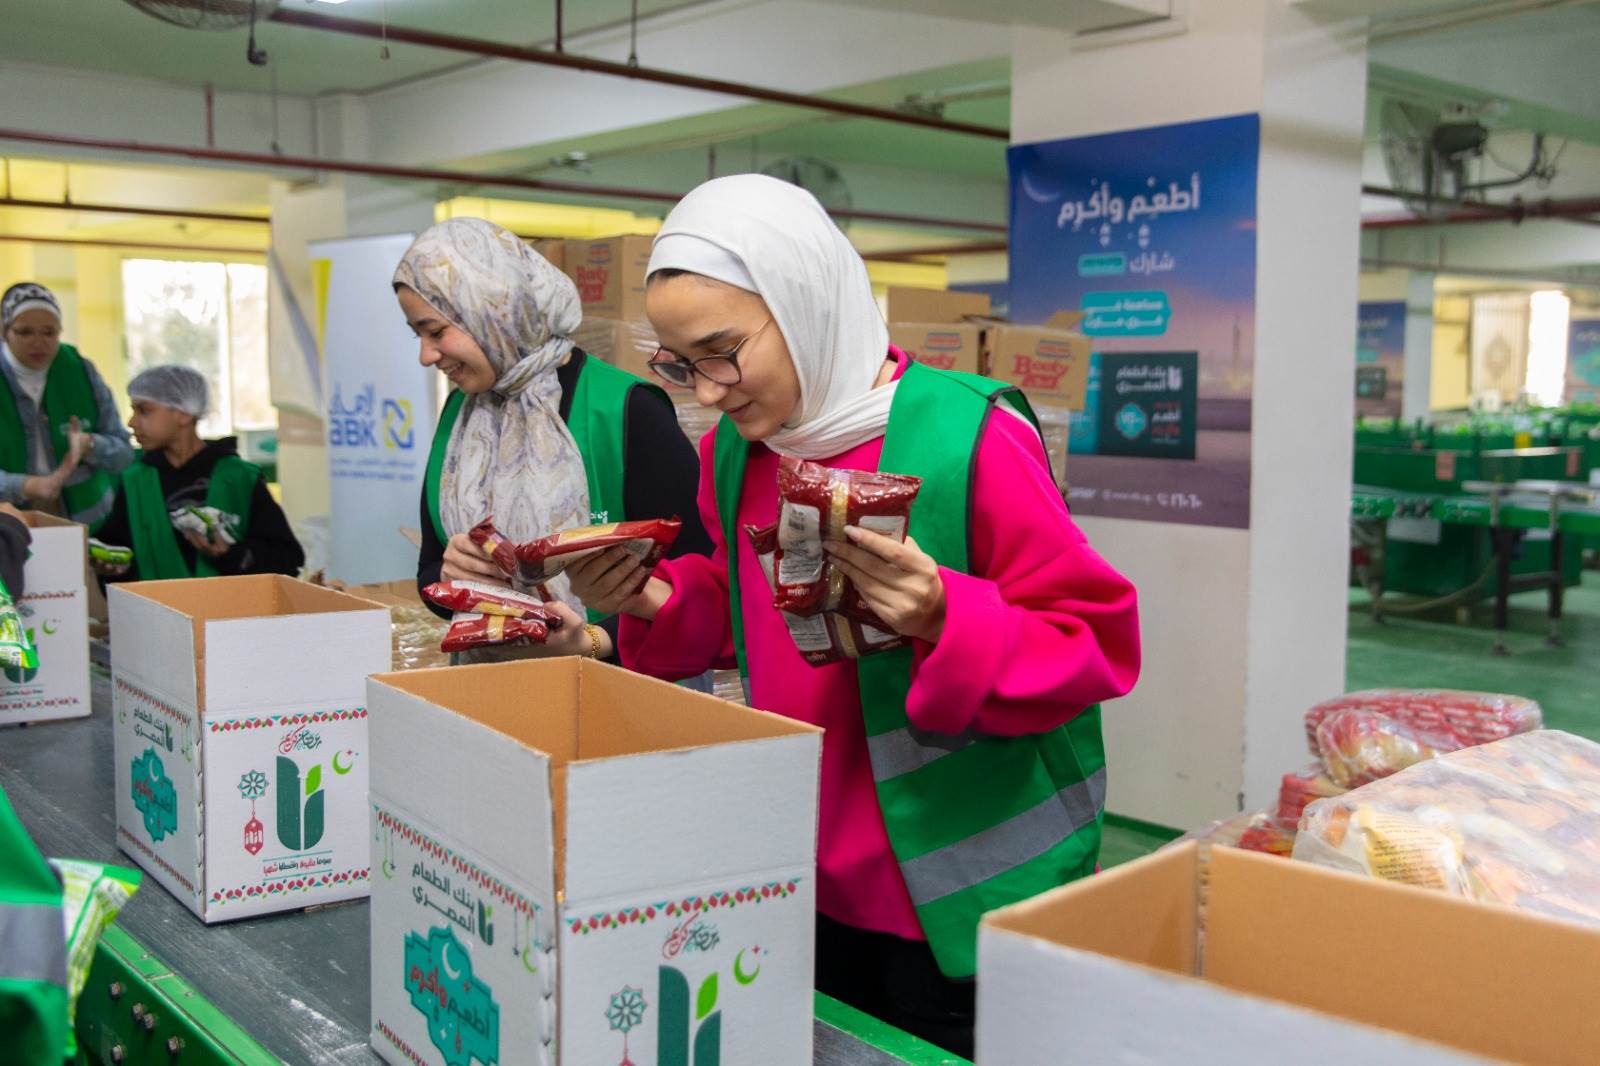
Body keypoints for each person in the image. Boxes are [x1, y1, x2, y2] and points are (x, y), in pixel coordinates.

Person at [564, 175, 1141, 1056]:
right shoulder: (740, 452)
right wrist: (648, 597)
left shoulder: (969, 437)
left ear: (804, 302)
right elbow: (745, 605)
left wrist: (946, 615)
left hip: (965, 888)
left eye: (722, 353)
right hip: (809, 866)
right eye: (680, 364)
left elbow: (1093, 639)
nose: (707, 392)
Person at [396, 217, 709, 662]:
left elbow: (701, 591)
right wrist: (451, 576)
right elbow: (430, 569)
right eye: (418, 334)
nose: (426, 355)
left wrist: (592, 641)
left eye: (436, 331)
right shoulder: (460, 415)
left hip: (620, 689)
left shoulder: (625, 409)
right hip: (490, 687)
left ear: (493, 311)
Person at [92, 365, 304, 583]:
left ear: (184, 414)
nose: (131, 422)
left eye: (144, 411)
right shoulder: (135, 480)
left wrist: (231, 554)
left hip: (227, 605)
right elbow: (117, 548)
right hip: (155, 604)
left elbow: (286, 560)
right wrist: (115, 568)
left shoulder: (240, 478)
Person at [0, 282, 132, 529]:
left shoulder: (80, 370)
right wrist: (25, 485)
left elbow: (124, 453)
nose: (38, 342)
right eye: (25, 332)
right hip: (9, 521)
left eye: (49, 332)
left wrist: (90, 445)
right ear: (4, 331)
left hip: (88, 522)